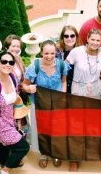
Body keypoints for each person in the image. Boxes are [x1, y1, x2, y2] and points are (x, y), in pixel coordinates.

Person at [22, 40, 69, 169]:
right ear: (41, 52)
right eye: (46, 53)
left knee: (56, 129)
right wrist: (28, 88)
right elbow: (24, 84)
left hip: (56, 104)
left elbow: (64, 82)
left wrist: (63, 95)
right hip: (39, 105)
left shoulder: (61, 65)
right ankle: (43, 154)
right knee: (41, 129)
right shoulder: (34, 67)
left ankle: (55, 153)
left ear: (56, 53)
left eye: (52, 53)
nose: (49, 56)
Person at [66, 29, 101, 172]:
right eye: (92, 39)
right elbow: (64, 69)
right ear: (87, 39)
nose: (95, 43)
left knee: (92, 123)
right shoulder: (76, 52)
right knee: (76, 125)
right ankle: (74, 158)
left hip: (96, 89)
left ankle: (89, 151)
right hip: (78, 90)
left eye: (98, 40)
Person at [56, 25, 82, 93]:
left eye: (72, 36)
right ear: (62, 38)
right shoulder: (56, 52)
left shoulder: (81, 51)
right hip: (60, 86)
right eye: (66, 36)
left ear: (76, 37)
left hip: (77, 88)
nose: (69, 38)